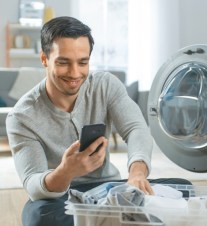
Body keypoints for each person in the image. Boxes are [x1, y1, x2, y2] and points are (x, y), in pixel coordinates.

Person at [6, 16, 190, 226]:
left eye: (83, 62)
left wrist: (137, 173)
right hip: (61, 198)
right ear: (44, 59)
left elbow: (136, 128)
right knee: (37, 217)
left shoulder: (105, 85)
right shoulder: (21, 116)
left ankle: (110, 218)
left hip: (110, 188)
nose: (75, 73)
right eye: (64, 62)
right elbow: (33, 184)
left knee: (183, 188)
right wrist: (66, 172)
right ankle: (123, 219)